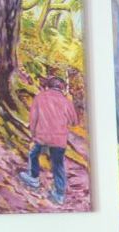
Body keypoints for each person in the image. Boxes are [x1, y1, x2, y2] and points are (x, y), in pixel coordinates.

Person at [19, 76, 78, 205]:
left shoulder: (39, 97)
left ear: (48, 86)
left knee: (33, 154)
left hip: (42, 135)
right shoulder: (66, 101)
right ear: (62, 88)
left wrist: (33, 134)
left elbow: (33, 118)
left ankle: (34, 178)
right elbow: (74, 121)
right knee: (58, 164)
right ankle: (59, 194)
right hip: (59, 138)